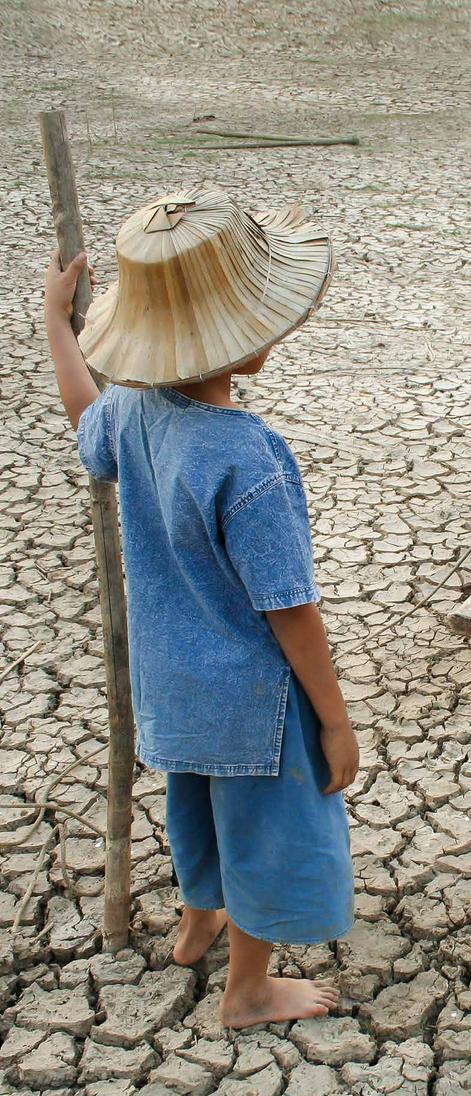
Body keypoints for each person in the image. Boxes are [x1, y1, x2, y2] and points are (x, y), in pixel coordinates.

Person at [43, 189, 359, 1028]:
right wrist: (333, 718)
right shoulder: (247, 457)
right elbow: (290, 607)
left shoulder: (134, 412)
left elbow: (86, 416)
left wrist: (57, 327)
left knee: (196, 809)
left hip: (170, 682)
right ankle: (248, 990)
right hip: (251, 699)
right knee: (264, 832)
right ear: (249, 339)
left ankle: (195, 926)